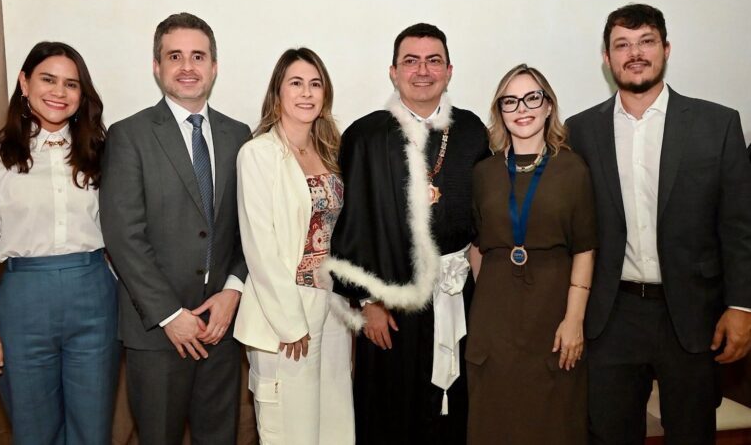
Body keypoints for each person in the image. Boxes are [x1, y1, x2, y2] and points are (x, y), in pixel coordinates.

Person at [567, 3, 751, 444]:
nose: (635, 53)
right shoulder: (579, 131)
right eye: (622, 45)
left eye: (646, 41)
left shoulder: (718, 124)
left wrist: (742, 307)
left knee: (692, 433)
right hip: (612, 316)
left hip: (693, 315)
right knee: (609, 434)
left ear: (666, 49)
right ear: (607, 58)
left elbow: (739, 226)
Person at [320, 23, 490, 444]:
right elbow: (352, 224)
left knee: (457, 410)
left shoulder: (471, 131)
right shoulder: (365, 135)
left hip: (458, 296)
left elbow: (484, 220)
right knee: (394, 413)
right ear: (393, 72)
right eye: (411, 61)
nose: (423, 71)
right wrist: (368, 302)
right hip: (391, 303)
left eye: (434, 61)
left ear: (449, 71)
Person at [0, 41, 118, 445]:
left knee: (93, 430)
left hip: (95, 299)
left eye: (71, 84)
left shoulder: (103, 153)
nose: (59, 92)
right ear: (24, 83)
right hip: (21, 303)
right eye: (48, 79)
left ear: (82, 95)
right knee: (33, 431)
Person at [100, 13, 250, 445]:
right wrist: (169, 315)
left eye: (198, 56)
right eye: (175, 56)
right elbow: (123, 237)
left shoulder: (239, 135)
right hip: (157, 332)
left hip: (221, 326)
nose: (187, 66)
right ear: (157, 66)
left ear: (214, 67)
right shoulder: (129, 135)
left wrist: (233, 291)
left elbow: (252, 228)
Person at [466, 64, 596, 444]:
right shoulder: (484, 172)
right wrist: (493, 300)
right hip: (494, 321)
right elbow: (477, 247)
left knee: (553, 422)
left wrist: (574, 320)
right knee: (494, 422)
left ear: (548, 105)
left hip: (552, 316)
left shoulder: (573, 168)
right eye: (510, 101)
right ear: (500, 111)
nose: (521, 109)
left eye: (531, 98)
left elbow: (585, 249)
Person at [234, 47, 354, 445]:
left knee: (334, 426)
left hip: (332, 305)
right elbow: (260, 246)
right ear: (278, 93)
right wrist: (290, 323)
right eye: (296, 83)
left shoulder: (331, 153)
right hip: (285, 311)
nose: (306, 93)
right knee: (290, 431)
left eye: (315, 84)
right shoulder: (258, 155)